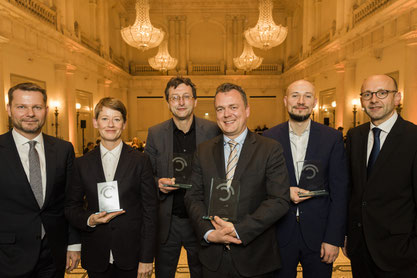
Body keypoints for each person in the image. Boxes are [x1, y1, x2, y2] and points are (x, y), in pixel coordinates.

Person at [184, 83, 290, 278]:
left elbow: (279, 200)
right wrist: (209, 233)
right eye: (220, 109)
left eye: (233, 107)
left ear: (247, 110)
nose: (227, 114)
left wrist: (239, 229)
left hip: (255, 258)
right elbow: (193, 197)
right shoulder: (203, 151)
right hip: (212, 260)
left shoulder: (270, 149)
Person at [65, 97, 158, 278]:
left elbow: (150, 212)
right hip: (96, 252)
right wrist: (90, 219)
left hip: (132, 254)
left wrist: (147, 258)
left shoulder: (141, 161)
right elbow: (71, 207)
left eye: (116, 119)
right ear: (95, 122)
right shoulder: (81, 164)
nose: (111, 124)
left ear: (124, 124)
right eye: (105, 118)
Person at [263, 80, 348, 278]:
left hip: (320, 237)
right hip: (279, 235)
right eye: (295, 96)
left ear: (315, 102)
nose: (301, 101)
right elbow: (260, 186)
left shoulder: (332, 138)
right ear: (285, 101)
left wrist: (333, 238)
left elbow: (340, 191)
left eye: (307, 96)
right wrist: (285, 192)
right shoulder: (268, 138)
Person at [0, 82, 80, 277]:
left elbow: (71, 201)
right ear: (9, 109)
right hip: (7, 255)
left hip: (53, 253)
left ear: (45, 110)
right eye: (21, 107)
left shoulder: (63, 149)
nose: (30, 113)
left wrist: (74, 243)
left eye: (36, 107)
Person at [144, 76, 220, 278]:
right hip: (169, 222)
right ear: (168, 102)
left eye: (186, 97)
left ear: (195, 101)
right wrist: (157, 183)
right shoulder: (155, 133)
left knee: (204, 273)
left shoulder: (213, 130)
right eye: (175, 97)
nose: (181, 102)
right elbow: (145, 176)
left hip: (204, 219)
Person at [344, 74, 417, 277]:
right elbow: (351, 190)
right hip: (360, 249)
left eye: (382, 93)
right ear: (361, 101)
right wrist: (347, 233)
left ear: (397, 98)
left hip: (400, 252)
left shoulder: (413, 138)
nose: (374, 99)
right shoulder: (355, 136)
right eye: (367, 94)